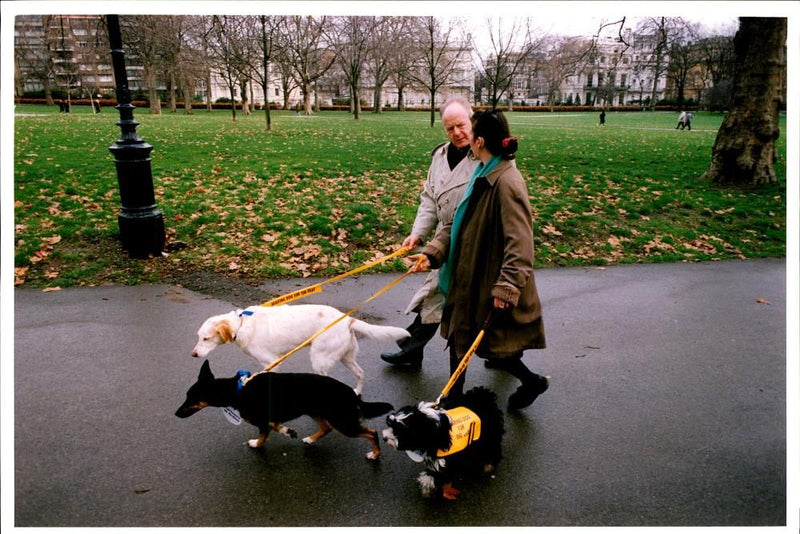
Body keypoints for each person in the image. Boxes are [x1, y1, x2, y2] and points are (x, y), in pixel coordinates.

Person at [409, 109, 548, 411]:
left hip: (489, 280)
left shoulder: (506, 181)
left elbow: (521, 243)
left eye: (469, 132)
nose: (465, 137)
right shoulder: (482, 173)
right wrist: (433, 253)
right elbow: (458, 221)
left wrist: (507, 287)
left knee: (494, 348)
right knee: (462, 336)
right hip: (467, 274)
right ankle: (452, 399)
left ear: (480, 140)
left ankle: (532, 382)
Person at [381, 96, 479, 368]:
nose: (457, 133)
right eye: (450, 128)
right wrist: (417, 234)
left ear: (472, 120)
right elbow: (430, 199)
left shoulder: (486, 156)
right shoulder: (440, 156)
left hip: (472, 243)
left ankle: (508, 356)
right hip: (443, 241)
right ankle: (412, 350)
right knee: (434, 294)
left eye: (461, 125)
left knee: (467, 303)